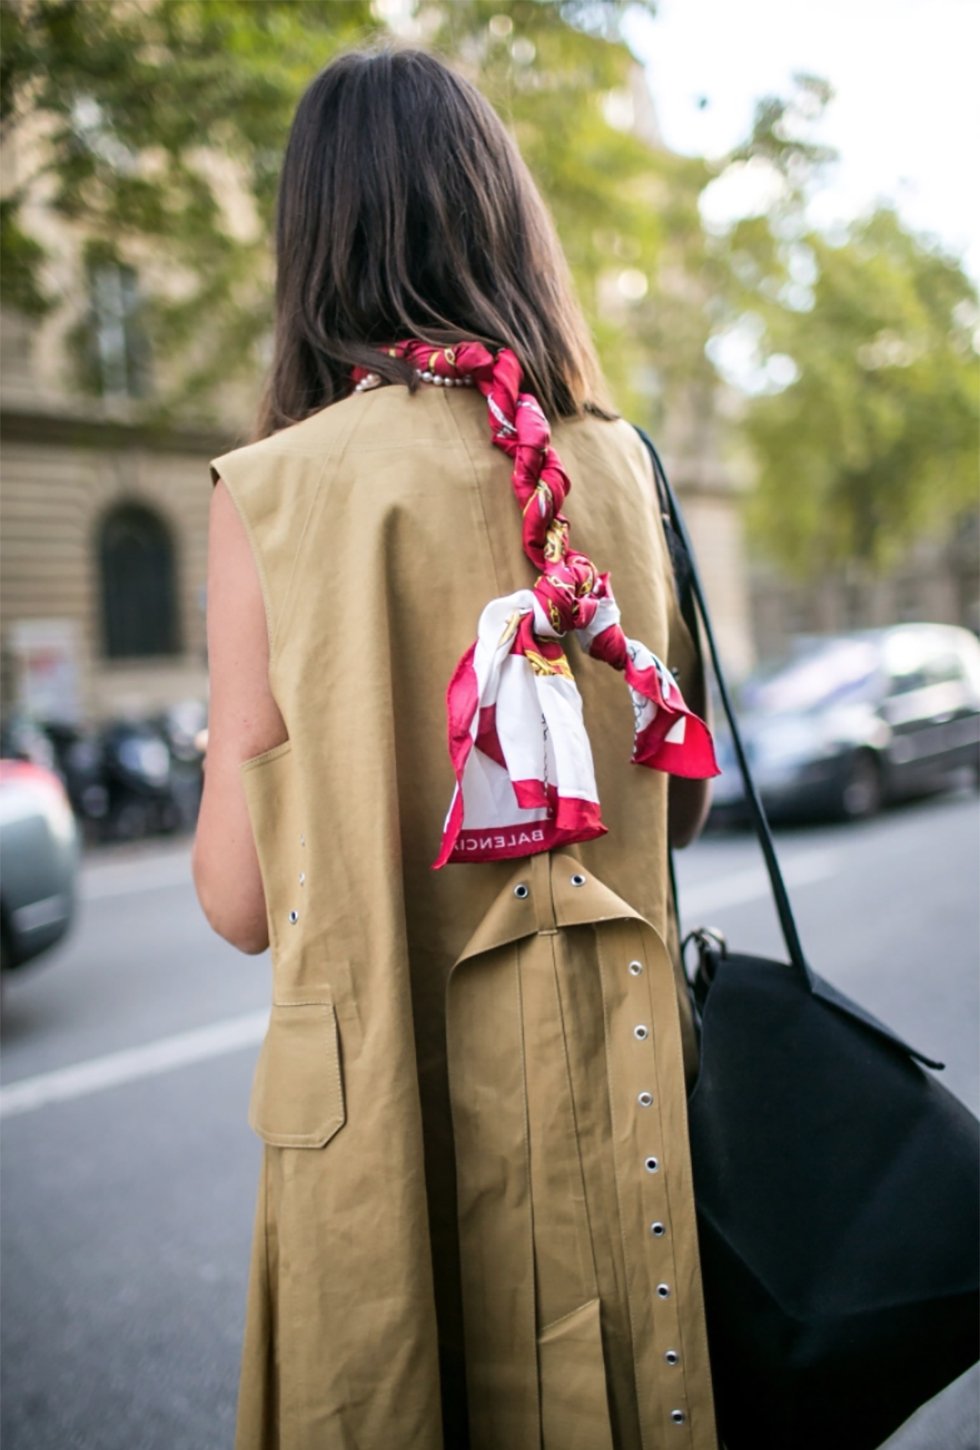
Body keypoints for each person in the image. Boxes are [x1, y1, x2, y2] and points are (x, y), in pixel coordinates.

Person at [192, 42, 721, 1450]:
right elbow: (675, 808)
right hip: (623, 1116)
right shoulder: (624, 464)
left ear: (315, 244)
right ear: (506, 222)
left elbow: (238, 902)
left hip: (390, 1145)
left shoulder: (274, 495)